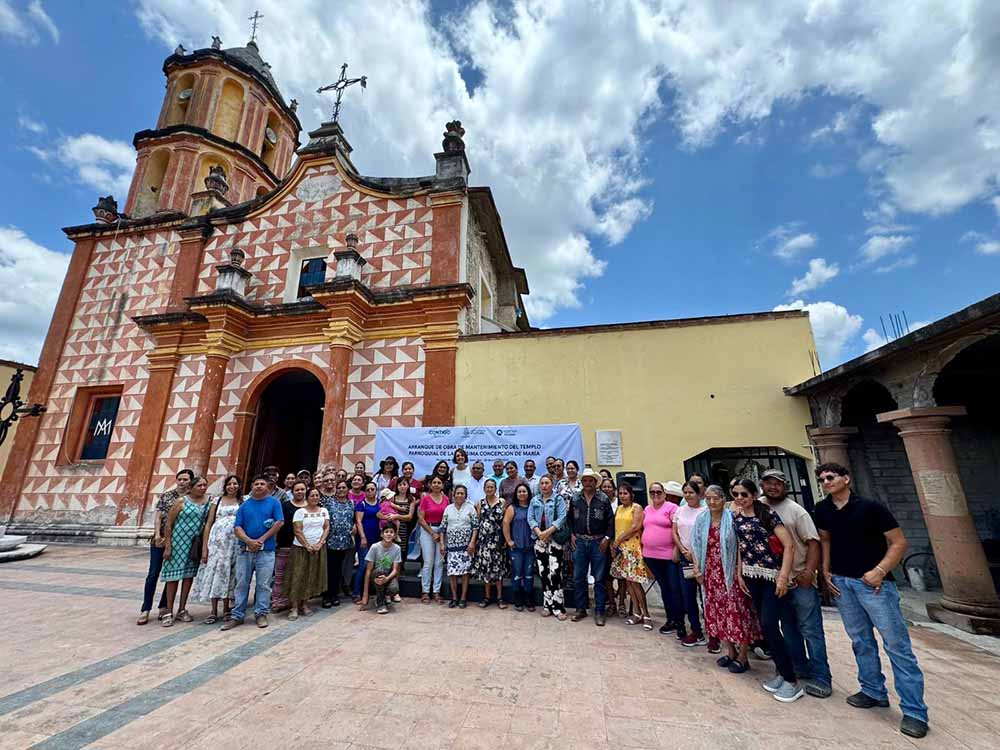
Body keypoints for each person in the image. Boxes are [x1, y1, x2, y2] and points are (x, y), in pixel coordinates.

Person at [814, 463, 928, 739]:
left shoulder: (871, 507)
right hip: (842, 582)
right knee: (860, 641)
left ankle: (914, 711)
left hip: (874, 585)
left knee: (897, 646)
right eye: (821, 479)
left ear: (846, 478)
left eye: (831, 477)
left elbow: (899, 542)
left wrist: (879, 571)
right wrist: (826, 570)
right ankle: (872, 690)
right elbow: (825, 540)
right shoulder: (823, 509)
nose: (826, 482)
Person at [760, 468, 832, 699]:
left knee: (810, 629)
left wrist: (810, 571)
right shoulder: (758, 506)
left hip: (798, 577)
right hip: (774, 579)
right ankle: (797, 667)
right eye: (768, 483)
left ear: (785, 486)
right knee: (788, 628)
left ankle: (821, 676)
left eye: (777, 483)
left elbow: (813, 542)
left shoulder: (796, 511)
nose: (772, 487)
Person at [730, 478, 802, 703]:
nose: (740, 498)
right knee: (764, 624)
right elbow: (741, 546)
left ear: (753, 494)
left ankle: (792, 680)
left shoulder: (767, 514)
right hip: (752, 576)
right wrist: (739, 572)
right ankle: (781, 672)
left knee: (771, 624)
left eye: (744, 494)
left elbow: (789, 545)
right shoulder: (738, 517)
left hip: (772, 575)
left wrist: (783, 576)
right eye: (736, 494)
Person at [691, 485, 761, 675]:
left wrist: (740, 572)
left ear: (724, 499)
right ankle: (730, 651)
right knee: (718, 613)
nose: (711, 502)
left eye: (715, 498)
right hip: (711, 574)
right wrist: (697, 569)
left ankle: (743, 655)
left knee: (738, 613)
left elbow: (741, 546)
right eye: (708, 498)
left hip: (731, 573)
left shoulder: (733, 519)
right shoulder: (701, 520)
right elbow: (695, 544)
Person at [222, 475, 284, 630]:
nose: (259, 486)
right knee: (241, 583)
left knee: (264, 583)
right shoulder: (244, 505)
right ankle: (237, 615)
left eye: (262, 484)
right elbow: (237, 527)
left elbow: (279, 522)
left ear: (268, 487)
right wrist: (249, 541)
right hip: (245, 550)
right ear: (251, 486)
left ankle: (261, 613)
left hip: (267, 550)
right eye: (256, 483)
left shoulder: (274, 503)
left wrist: (261, 540)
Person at [138, 468, 192, 625]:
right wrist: (157, 535)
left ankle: (163, 606)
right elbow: (158, 516)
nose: (182, 482)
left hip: (179, 542)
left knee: (171, 575)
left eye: (185, 480)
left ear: (190, 482)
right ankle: (145, 609)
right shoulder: (167, 496)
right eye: (180, 479)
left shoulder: (191, 499)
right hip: (160, 540)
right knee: (153, 574)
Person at [160, 475, 212, 627]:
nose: (202, 488)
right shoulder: (181, 501)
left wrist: (204, 548)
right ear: (192, 487)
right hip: (177, 543)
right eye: (199, 486)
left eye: (204, 485)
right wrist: (168, 546)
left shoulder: (209, 503)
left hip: (193, 545)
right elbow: (169, 524)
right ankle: (169, 610)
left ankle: (182, 609)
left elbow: (208, 525)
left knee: (188, 577)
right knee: (173, 577)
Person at [190, 474, 242, 624]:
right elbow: (208, 523)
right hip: (217, 543)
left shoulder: (242, 501)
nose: (232, 486)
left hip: (234, 543)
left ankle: (226, 608)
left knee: (230, 574)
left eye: (235, 484)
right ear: (225, 486)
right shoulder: (216, 500)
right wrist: (205, 548)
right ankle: (213, 610)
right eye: (229, 484)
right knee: (215, 572)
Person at [568, 467, 613, 626]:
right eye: (585, 480)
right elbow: (570, 520)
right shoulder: (575, 499)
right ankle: (581, 609)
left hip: (598, 542)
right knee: (578, 577)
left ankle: (599, 611)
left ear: (595, 482)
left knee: (599, 578)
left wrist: (607, 538)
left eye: (590, 481)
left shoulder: (603, 499)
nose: (587, 483)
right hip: (579, 542)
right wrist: (572, 534)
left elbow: (610, 521)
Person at [641, 481, 686, 636]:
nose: (655, 495)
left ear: (664, 493)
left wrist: (676, 549)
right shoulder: (647, 509)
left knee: (674, 588)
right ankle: (670, 620)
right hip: (650, 556)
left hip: (668, 556)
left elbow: (678, 530)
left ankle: (680, 622)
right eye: (652, 492)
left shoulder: (672, 508)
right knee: (664, 589)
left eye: (658, 492)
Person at [611, 483, 654, 629]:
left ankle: (646, 615)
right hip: (622, 550)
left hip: (633, 549)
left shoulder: (636, 508)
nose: (623, 496)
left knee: (636, 583)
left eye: (625, 493)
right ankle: (636, 613)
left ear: (631, 494)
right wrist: (615, 545)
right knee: (628, 583)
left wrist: (619, 540)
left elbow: (635, 527)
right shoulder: (619, 508)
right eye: (620, 494)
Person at [673, 481, 709, 647]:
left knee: (706, 598)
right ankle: (696, 630)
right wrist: (681, 549)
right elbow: (674, 531)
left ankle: (714, 633)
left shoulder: (705, 511)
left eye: (691, 493)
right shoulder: (680, 510)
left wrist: (695, 554)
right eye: (685, 492)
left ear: (698, 494)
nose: (688, 496)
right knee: (688, 597)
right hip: (685, 558)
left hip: (703, 559)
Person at [284, 487, 329, 619]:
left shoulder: (324, 511)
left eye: (317, 495)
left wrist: (320, 543)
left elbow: (326, 527)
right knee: (298, 576)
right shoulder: (300, 512)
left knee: (311, 575)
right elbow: (297, 531)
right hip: (301, 549)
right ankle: (293, 607)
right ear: (307, 497)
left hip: (318, 548)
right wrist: (307, 545)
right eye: (312, 495)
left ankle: (305, 603)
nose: (315, 497)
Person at [529, 474, 568, 619]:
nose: (544, 485)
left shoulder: (558, 499)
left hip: (554, 540)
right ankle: (547, 605)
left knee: (555, 573)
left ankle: (559, 607)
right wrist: (540, 533)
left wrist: (547, 532)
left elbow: (562, 518)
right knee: (544, 573)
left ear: (552, 484)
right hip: (540, 542)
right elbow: (531, 518)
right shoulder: (535, 500)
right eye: (542, 483)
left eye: (547, 483)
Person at [271, 480, 308, 613]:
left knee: (299, 575)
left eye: (302, 489)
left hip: (304, 546)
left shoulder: (311, 506)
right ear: (292, 492)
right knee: (281, 575)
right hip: (286, 544)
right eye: (297, 490)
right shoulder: (285, 506)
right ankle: (278, 601)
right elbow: (279, 523)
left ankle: (296, 601)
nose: (300, 492)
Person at [439, 484, 478, 608]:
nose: (459, 495)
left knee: (465, 573)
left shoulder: (471, 508)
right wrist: (442, 543)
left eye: (462, 493)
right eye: (457, 493)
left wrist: (472, 543)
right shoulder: (448, 508)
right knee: (453, 573)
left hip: (466, 546)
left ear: (465, 495)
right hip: (452, 546)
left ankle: (463, 598)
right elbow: (442, 528)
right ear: (453, 495)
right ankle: (454, 597)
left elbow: (475, 527)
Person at [473, 478, 510, 607]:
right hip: (484, 541)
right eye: (487, 487)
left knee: (498, 570)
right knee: (486, 570)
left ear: (495, 489)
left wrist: (506, 539)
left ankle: (500, 598)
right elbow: (477, 523)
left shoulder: (502, 502)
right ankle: (487, 597)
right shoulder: (480, 503)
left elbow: (506, 523)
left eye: (492, 487)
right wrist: (475, 541)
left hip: (498, 540)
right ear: (484, 489)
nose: (489, 489)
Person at [320, 479, 355, 608]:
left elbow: (353, 519)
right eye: (339, 487)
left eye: (343, 488)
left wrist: (354, 527)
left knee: (338, 569)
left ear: (347, 489)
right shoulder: (329, 502)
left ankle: (335, 594)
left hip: (344, 541)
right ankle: (326, 595)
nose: (341, 490)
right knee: (329, 569)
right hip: (330, 540)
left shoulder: (351, 503)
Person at [503, 482, 536, 612]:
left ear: (528, 493)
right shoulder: (512, 508)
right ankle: (517, 598)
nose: (522, 494)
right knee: (517, 574)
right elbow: (505, 523)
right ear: (516, 494)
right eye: (519, 492)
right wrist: (509, 540)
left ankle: (529, 598)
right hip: (516, 547)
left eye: (524, 491)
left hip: (530, 547)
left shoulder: (533, 506)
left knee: (528, 574)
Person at [417, 475, 449, 603]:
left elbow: (446, 518)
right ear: (430, 485)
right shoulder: (425, 498)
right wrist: (432, 533)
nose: (436, 484)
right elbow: (421, 518)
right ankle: (425, 591)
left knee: (439, 562)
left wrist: (439, 534)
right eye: (434, 482)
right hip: (427, 531)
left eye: (439, 482)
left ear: (442, 485)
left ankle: (436, 591)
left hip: (441, 532)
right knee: (428, 562)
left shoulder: (446, 499)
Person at [359, 525, 403, 614]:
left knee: (394, 589)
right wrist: (365, 595)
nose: (389, 534)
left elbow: (395, 570)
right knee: (379, 571)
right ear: (382, 534)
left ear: (394, 535)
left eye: (391, 532)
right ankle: (381, 603)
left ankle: (384, 595)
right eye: (386, 532)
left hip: (388, 575)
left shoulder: (397, 548)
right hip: (375, 576)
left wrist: (387, 579)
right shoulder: (375, 547)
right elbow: (368, 571)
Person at [353, 480, 382, 603]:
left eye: (372, 489)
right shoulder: (362, 504)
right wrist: (363, 537)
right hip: (364, 539)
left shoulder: (380, 503)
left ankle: (368, 592)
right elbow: (359, 521)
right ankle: (356, 593)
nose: (370, 491)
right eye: (368, 489)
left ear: (376, 491)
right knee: (363, 566)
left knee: (373, 566)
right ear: (365, 491)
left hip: (376, 539)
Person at [601, 476, 626, 616]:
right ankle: (612, 603)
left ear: (614, 490)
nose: (606, 489)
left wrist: (615, 542)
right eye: (604, 486)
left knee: (621, 577)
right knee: (607, 577)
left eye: (609, 486)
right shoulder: (598, 502)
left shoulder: (620, 504)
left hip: (620, 545)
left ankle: (622, 602)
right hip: (605, 545)